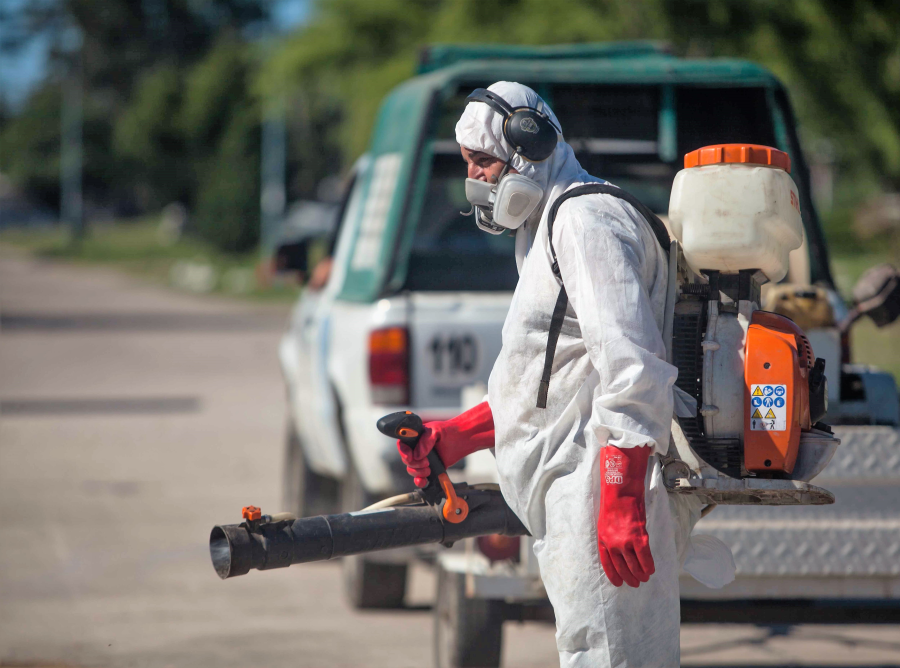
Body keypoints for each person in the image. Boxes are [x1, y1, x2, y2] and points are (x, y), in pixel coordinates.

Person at [398, 81, 732, 667]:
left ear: (529, 148)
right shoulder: (546, 224)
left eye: (483, 161)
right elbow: (553, 381)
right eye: (467, 163)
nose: (474, 179)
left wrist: (620, 497)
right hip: (573, 492)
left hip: (597, 487)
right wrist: (458, 435)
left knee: (610, 656)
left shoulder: (585, 221)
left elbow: (632, 366)